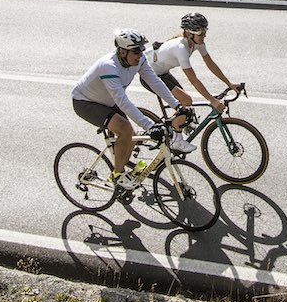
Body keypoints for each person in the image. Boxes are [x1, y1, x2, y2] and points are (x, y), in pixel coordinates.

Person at [71, 28, 194, 190]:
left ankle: (122, 166)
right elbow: (123, 102)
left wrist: (177, 106)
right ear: (122, 52)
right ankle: (117, 175)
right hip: (85, 102)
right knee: (125, 130)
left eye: (142, 49)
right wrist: (149, 126)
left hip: (108, 100)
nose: (140, 54)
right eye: (136, 51)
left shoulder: (139, 60)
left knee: (132, 135)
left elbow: (155, 82)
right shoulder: (109, 67)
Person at [143, 12, 242, 118]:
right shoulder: (181, 49)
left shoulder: (197, 43)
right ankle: (174, 133)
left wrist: (229, 83)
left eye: (205, 32)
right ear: (189, 34)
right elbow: (193, 79)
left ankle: (174, 129)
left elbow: (210, 63)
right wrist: (212, 100)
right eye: (201, 33)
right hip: (149, 75)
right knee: (186, 100)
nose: (204, 36)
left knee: (185, 106)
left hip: (162, 73)